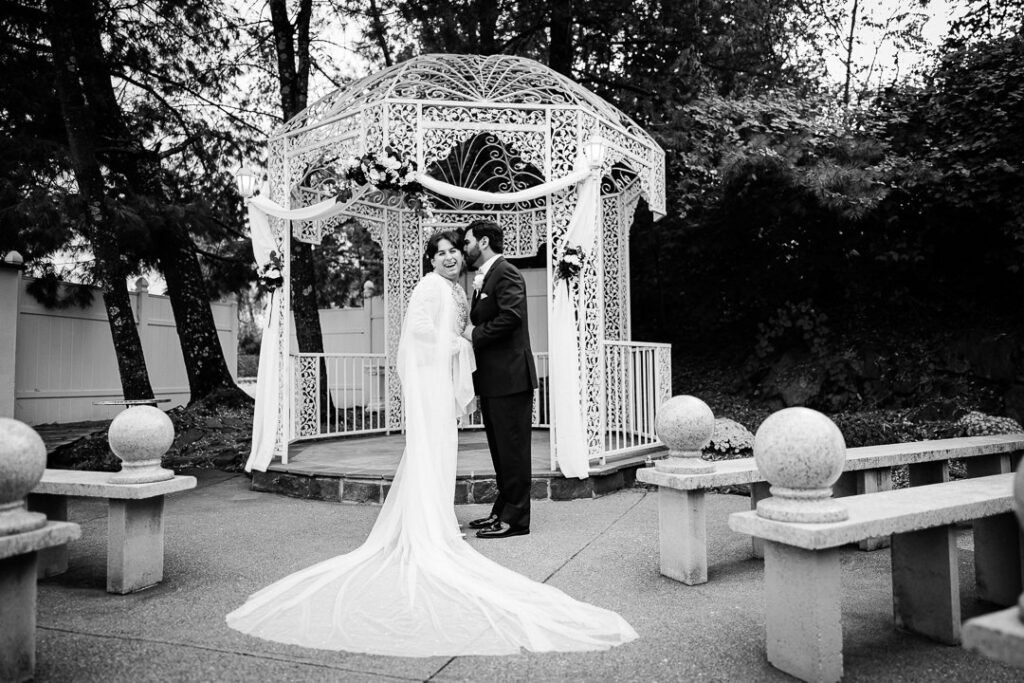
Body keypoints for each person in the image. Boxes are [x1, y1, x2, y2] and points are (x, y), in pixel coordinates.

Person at [225, 230, 637, 656]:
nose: (452, 256)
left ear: (474, 248)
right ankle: (477, 513)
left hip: (501, 378)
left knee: (502, 449)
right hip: (441, 380)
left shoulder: (496, 276)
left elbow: (502, 320)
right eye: (441, 253)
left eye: (457, 249)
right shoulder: (435, 286)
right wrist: (454, 347)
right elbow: (420, 329)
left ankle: (510, 515)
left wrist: (464, 343)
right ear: (430, 260)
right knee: (470, 449)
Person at [462, 220, 538, 539]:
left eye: (466, 243)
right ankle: (501, 511)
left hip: (510, 379)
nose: (463, 249)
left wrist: (474, 334)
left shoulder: (505, 272)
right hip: (494, 380)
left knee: (514, 451)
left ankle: (517, 520)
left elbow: (511, 317)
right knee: (501, 450)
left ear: (482, 242)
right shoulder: (487, 275)